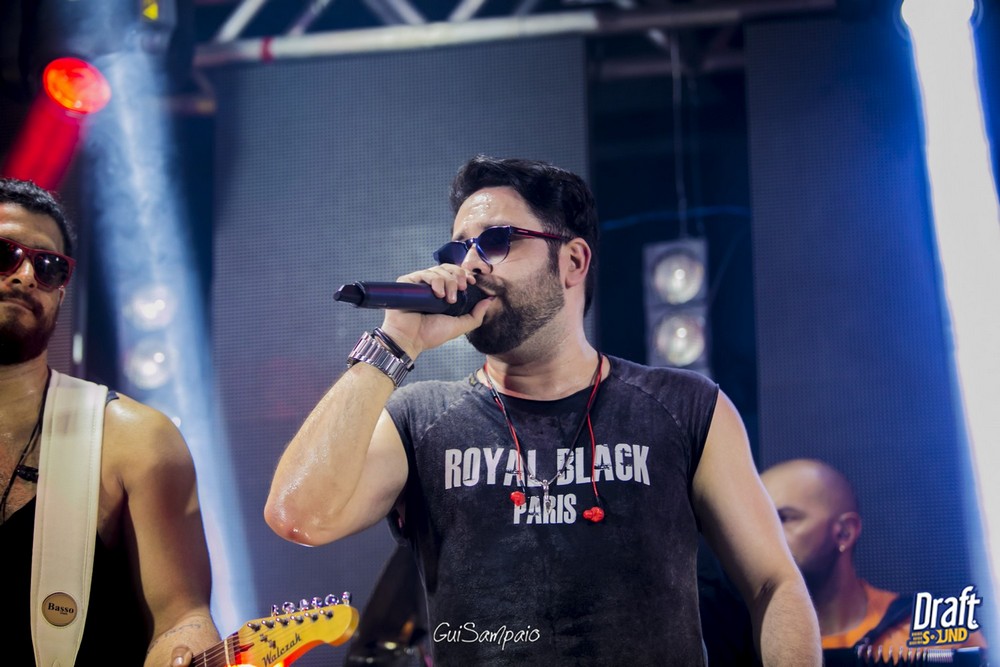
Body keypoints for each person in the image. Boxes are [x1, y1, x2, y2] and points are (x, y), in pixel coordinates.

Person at [265, 155, 821, 665]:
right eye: (458, 250)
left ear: (573, 260)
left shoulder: (685, 407)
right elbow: (298, 516)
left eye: (496, 240)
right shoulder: (420, 419)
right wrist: (394, 345)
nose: (470, 265)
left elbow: (774, 584)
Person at [0, 177, 221, 666]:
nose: (25, 276)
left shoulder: (135, 440)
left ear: (62, 291)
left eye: (49, 266)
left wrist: (186, 645)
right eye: (4, 254)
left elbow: (182, 614)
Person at [760, 458, 987, 661]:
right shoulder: (753, 643)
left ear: (845, 532)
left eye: (783, 518)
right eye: (762, 521)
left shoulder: (934, 630)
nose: (765, 534)